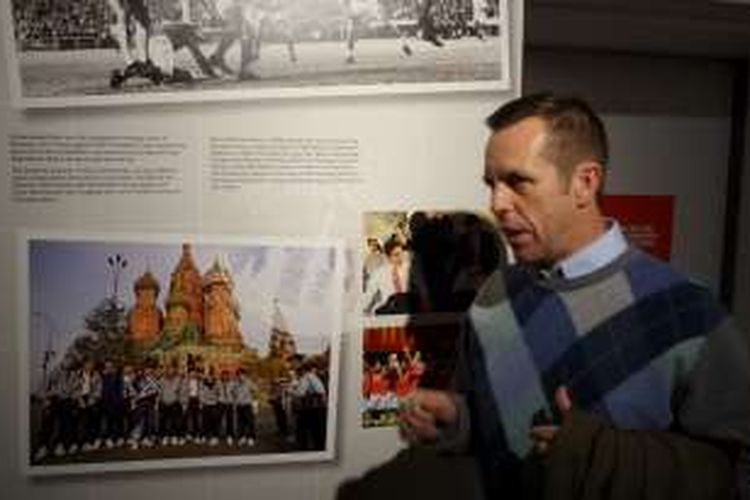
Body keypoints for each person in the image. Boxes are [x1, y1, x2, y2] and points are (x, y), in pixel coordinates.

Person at [399, 93, 750, 499]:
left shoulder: (690, 314)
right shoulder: (493, 298)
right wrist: (457, 422)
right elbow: (498, 427)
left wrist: (609, 459)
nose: (497, 203)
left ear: (585, 183)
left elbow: (737, 471)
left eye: (517, 182)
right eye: (492, 184)